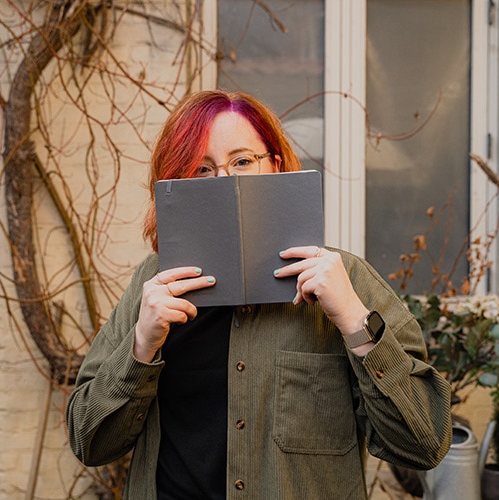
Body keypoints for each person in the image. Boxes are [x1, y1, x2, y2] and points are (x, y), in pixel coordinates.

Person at [66, 90, 452, 499]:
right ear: (179, 179)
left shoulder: (346, 278)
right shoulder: (155, 284)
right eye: (201, 168)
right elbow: (89, 442)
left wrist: (356, 323)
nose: (225, 181)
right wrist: (141, 346)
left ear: (275, 166)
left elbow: (424, 444)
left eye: (242, 161)